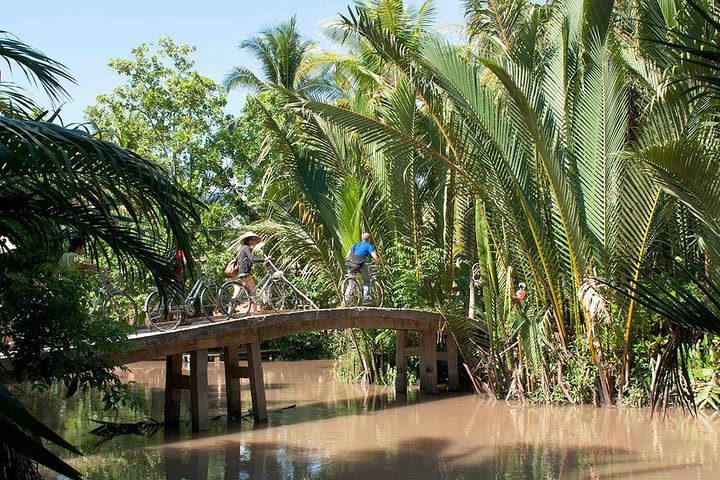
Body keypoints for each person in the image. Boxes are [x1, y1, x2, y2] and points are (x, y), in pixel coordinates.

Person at [234, 231, 266, 315]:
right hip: (244, 273)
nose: (254, 241)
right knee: (253, 291)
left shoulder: (242, 249)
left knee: (240, 292)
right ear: (248, 240)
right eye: (252, 239)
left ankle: (230, 310)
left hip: (240, 273)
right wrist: (264, 260)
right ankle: (254, 310)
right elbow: (252, 259)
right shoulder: (246, 248)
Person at [346, 232, 381, 302]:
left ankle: (346, 298)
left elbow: (347, 256)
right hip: (359, 264)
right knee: (367, 280)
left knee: (351, 281)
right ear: (369, 239)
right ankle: (366, 298)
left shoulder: (356, 245)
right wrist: (378, 260)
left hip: (350, 264)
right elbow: (374, 256)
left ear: (362, 239)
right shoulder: (368, 246)